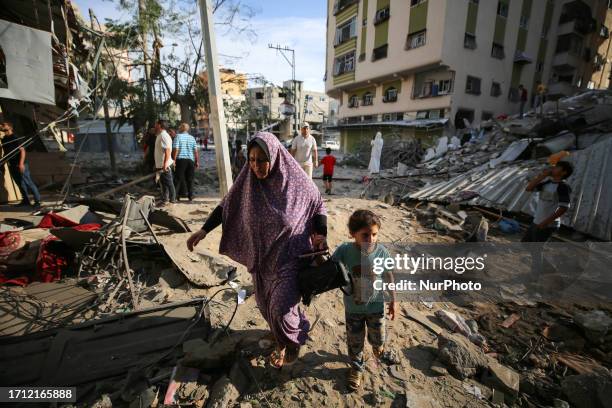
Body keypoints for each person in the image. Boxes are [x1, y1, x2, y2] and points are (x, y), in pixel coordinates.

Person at [186, 132, 327, 368]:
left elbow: (317, 204)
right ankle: (281, 333)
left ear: (274, 156)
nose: (256, 165)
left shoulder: (297, 182)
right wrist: (203, 230)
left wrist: (321, 234)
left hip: (290, 259)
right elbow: (226, 206)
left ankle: (289, 344)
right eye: (251, 159)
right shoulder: (247, 183)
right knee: (264, 305)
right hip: (262, 261)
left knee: (281, 309)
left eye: (262, 159)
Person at [332, 210, 396, 391]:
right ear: (353, 234)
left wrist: (394, 300)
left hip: (376, 307)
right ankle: (357, 369)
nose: (371, 239)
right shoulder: (345, 250)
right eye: (365, 235)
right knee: (355, 342)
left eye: (374, 234)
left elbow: (389, 275)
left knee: (378, 337)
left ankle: (377, 346)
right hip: (353, 309)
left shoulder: (382, 252)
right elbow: (330, 266)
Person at [522, 161, 573, 243]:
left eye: (557, 167)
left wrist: (546, 222)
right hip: (537, 221)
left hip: (547, 225)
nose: (553, 169)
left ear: (564, 172)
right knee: (526, 243)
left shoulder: (563, 187)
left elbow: (564, 207)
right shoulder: (547, 183)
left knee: (535, 249)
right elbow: (529, 188)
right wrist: (543, 175)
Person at [0, 121, 41, 208]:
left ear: (10, 127)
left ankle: (37, 201)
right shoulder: (4, 139)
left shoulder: (15, 137)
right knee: (19, 183)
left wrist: (21, 164)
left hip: (20, 164)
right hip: (12, 164)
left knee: (28, 182)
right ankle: (26, 201)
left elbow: (22, 150)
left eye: (3, 125)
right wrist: (3, 163)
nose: (1, 126)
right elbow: (6, 152)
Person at [172, 123, 199, 201]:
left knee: (178, 178)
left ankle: (176, 196)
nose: (179, 128)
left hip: (181, 160)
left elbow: (176, 148)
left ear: (181, 128)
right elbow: (195, 151)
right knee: (190, 179)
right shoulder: (192, 138)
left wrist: (174, 159)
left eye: (180, 127)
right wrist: (197, 161)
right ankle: (191, 196)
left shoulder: (178, 136)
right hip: (191, 160)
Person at [154, 120, 176, 205]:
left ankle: (173, 200)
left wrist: (165, 163)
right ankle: (166, 199)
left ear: (159, 125)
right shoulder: (160, 135)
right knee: (164, 184)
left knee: (169, 183)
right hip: (161, 164)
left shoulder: (163, 135)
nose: (154, 125)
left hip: (165, 164)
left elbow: (168, 150)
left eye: (156, 124)